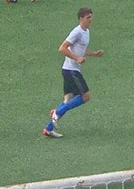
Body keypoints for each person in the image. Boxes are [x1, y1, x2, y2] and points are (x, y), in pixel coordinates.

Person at [43, 8, 101, 136]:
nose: (90, 20)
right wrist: (76, 58)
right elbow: (62, 48)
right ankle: (57, 112)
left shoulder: (86, 32)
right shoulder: (77, 32)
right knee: (85, 96)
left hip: (68, 70)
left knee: (68, 99)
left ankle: (49, 129)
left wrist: (93, 54)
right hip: (71, 70)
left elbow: (80, 49)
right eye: (88, 17)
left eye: (91, 17)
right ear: (81, 18)